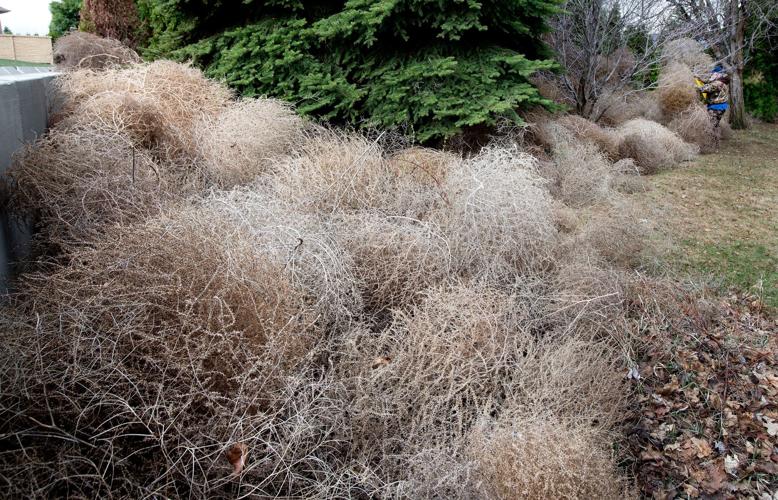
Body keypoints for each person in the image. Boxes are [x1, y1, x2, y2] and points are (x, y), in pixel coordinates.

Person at [696, 66, 730, 149]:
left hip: (715, 108)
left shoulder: (717, 84)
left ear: (718, 74)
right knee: (715, 125)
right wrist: (699, 78)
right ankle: (715, 144)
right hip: (721, 107)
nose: (712, 75)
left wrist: (693, 85)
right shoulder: (721, 81)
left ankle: (711, 145)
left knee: (710, 126)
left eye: (714, 73)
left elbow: (704, 89)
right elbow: (709, 82)